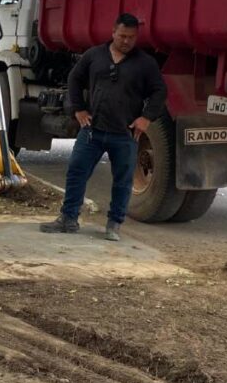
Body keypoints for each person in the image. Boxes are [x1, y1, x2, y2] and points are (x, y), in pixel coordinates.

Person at [40, 13, 167, 241]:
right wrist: (78, 109)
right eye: (122, 36)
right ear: (113, 33)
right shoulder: (94, 55)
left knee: (123, 181)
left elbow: (160, 91)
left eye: (131, 37)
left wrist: (146, 118)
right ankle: (68, 219)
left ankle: (114, 224)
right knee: (76, 173)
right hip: (92, 131)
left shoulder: (145, 63)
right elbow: (74, 79)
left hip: (125, 135)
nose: (126, 41)